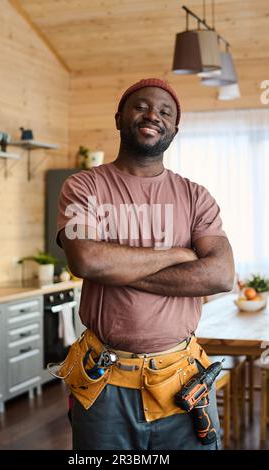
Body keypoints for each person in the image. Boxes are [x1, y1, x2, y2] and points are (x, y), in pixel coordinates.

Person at [56, 78, 235, 450]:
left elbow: (220, 274)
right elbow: (87, 260)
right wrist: (178, 255)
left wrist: (116, 266)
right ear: (120, 117)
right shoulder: (83, 187)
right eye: (141, 106)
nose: (153, 114)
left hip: (182, 381)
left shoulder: (195, 196)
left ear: (174, 129)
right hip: (103, 382)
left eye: (165, 111)